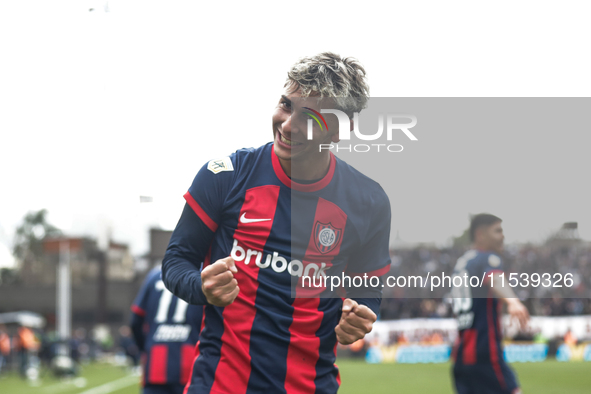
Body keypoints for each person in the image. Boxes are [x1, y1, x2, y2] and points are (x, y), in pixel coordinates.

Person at [162, 52, 391, 393]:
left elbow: (368, 288)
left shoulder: (369, 202)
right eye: (286, 105)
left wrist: (360, 314)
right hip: (219, 385)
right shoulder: (225, 176)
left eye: (310, 117)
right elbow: (176, 260)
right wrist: (200, 286)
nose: (287, 125)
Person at [451, 214, 530, 394]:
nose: (502, 236)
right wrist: (513, 301)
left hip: (462, 353)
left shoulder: (461, 264)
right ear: (481, 234)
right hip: (485, 350)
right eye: (498, 231)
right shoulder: (486, 258)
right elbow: (494, 278)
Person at [131, 266, 204, 394]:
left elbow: (135, 321)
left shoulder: (154, 276)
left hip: (155, 365)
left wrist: (146, 348)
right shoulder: (205, 273)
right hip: (191, 366)